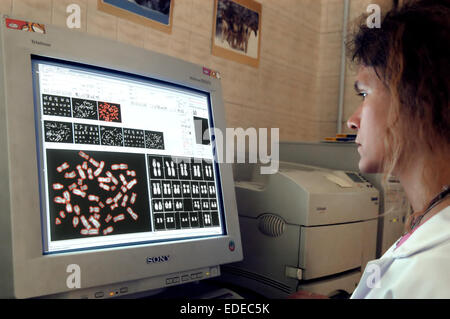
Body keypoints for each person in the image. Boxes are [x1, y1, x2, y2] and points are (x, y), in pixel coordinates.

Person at [290, 0, 450, 299]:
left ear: (418, 100)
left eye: (364, 93)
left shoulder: (433, 272)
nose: (352, 121)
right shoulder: (433, 220)